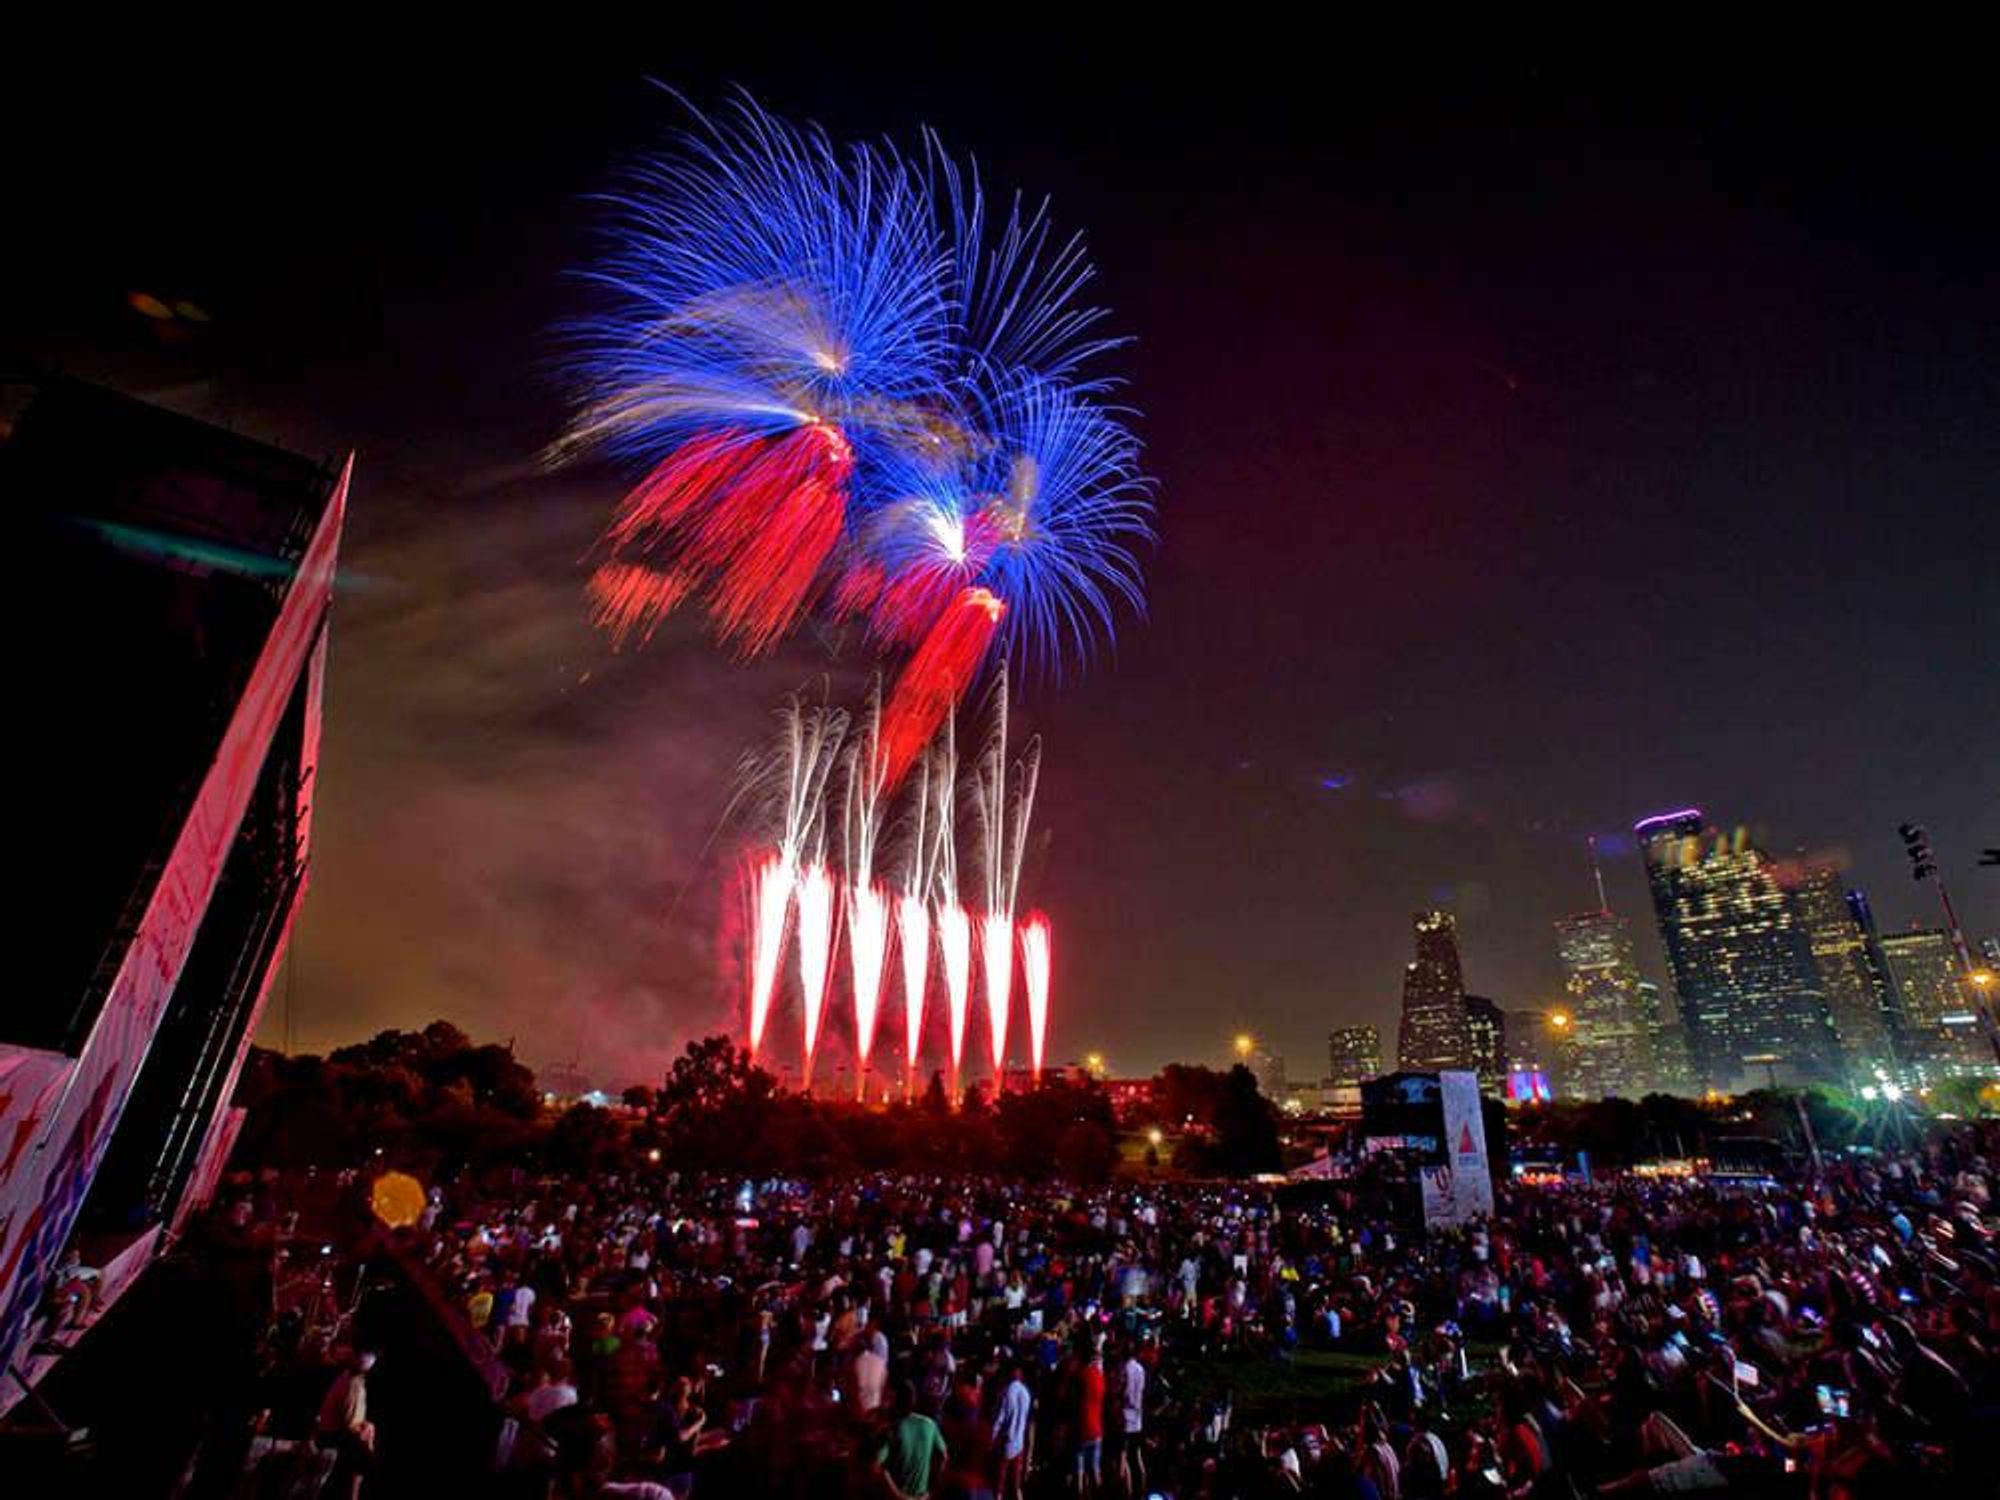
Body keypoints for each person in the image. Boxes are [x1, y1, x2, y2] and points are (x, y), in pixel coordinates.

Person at [316, 1348, 377, 1500]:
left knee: (366, 1438)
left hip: (330, 1430)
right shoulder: (354, 1385)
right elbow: (351, 1425)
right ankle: (353, 1494)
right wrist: (367, 1436)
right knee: (364, 1452)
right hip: (330, 1435)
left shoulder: (347, 1376)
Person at [874, 1379, 949, 1500]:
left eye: (888, 1398)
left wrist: (899, 1496)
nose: (885, 1404)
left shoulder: (891, 1430)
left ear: (895, 1402)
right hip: (923, 1496)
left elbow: (876, 1467)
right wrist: (932, 1489)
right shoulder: (930, 1424)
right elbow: (944, 1457)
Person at [991, 1361, 1033, 1500]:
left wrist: (992, 1437)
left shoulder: (1006, 1391)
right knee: (1016, 1483)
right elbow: (1026, 1419)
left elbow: (1000, 1418)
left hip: (1006, 1441)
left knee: (999, 1482)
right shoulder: (1026, 1392)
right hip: (1019, 1442)